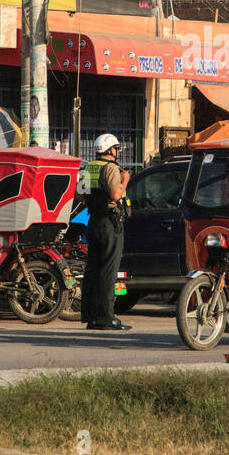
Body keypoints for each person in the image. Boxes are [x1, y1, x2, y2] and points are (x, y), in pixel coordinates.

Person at [80, 133, 132, 331]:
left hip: (93, 221)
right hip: (110, 224)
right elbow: (116, 194)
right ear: (111, 150)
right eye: (117, 148)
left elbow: (80, 195)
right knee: (108, 271)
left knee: (93, 270)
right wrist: (125, 180)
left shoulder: (90, 167)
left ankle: (92, 318)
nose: (118, 152)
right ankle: (106, 318)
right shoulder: (111, 168)